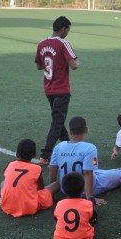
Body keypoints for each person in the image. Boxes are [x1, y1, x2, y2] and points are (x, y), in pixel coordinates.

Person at [49, 116, 121, 205]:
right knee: (120, 174)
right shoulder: (90, 148)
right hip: (84, 189)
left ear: (69, 131)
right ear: (86, 130)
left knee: (96, 170)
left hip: (65, 189)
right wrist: (90, 198)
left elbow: (52, 167)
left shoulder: (59, 146)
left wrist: (52, 188)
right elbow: (88, 173)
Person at [35, 16, 80, 164]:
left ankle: (67, 143)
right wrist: (77, 61)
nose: (68, 32)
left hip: (48, 88)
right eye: (68, 29)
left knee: (58, 119)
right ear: (63, 29)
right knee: (57, 121)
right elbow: (74, 65)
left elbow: (39, 65)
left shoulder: (41, 44)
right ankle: (46, 154)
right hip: (61, 89)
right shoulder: (63, 43)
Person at [0, 139, 60, 217]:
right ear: (34, 155)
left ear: (17, 154)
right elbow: (40, 188)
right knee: (56, 184)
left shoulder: (10, 165)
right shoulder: (36, 168)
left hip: (7, 206)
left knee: (3, 182)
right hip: (29, 206)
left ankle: (10, 198)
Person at [53, 172, 96, 239]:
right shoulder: (88, 204)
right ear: (83, 188)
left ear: (64, 188)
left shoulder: (59, 204)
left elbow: (56, 219)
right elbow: (93, 221)